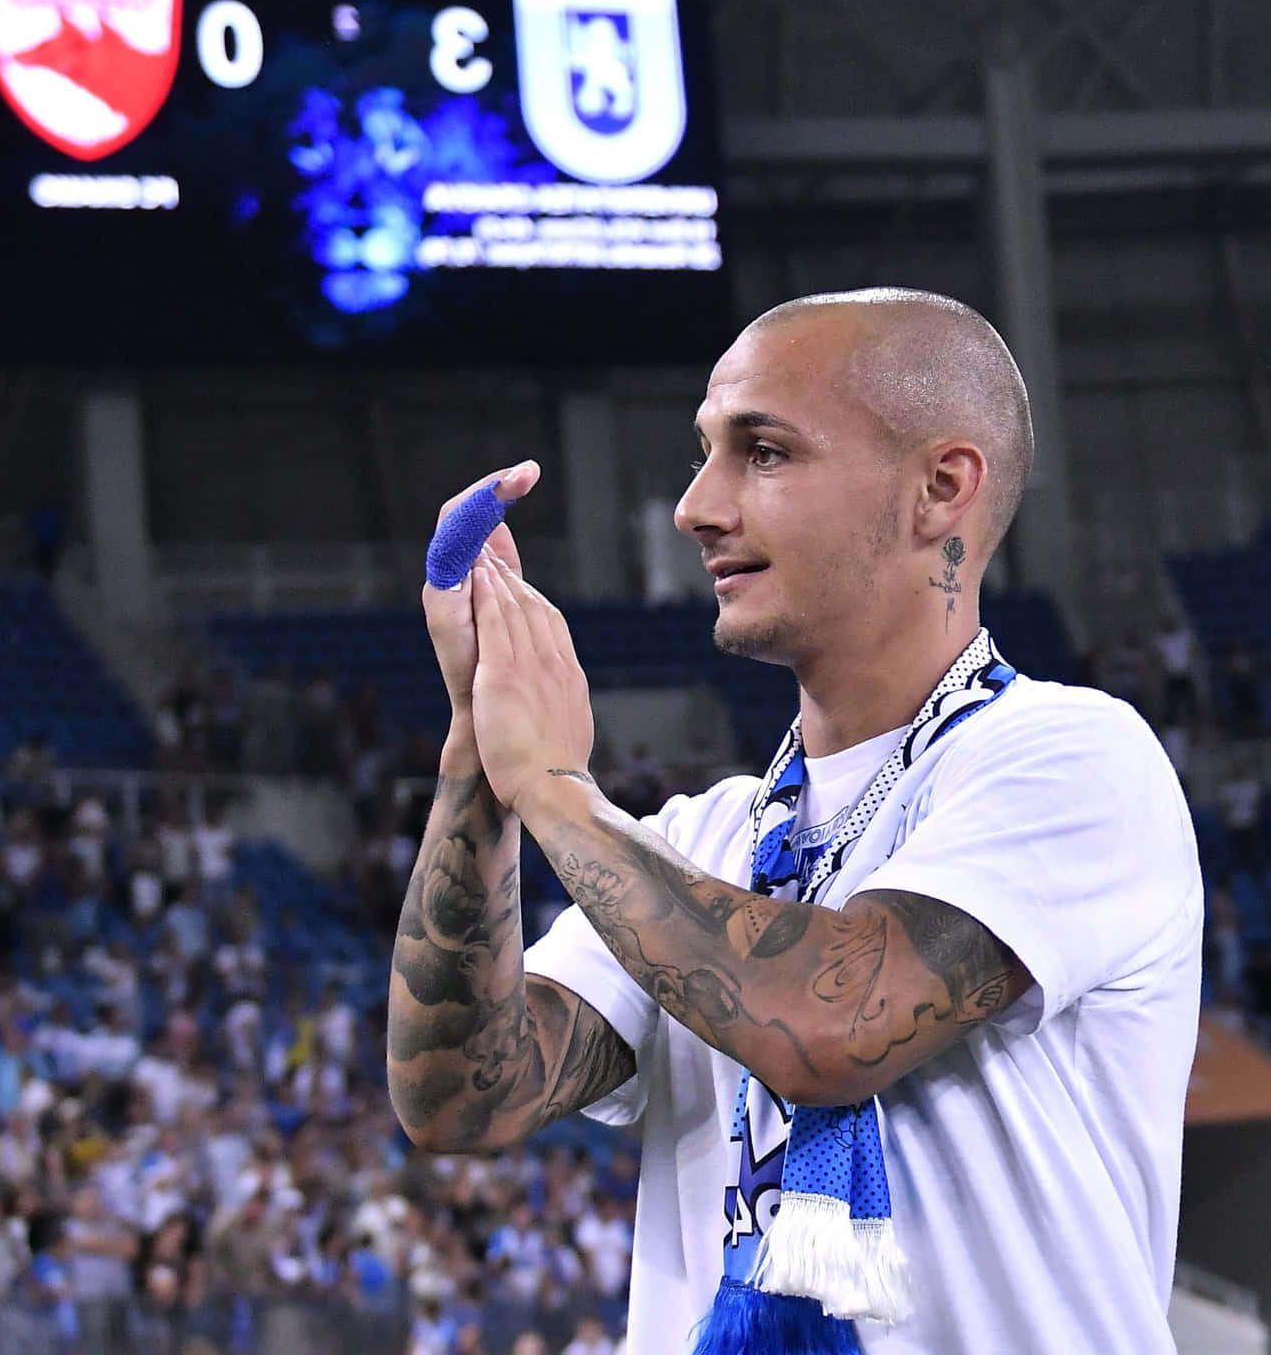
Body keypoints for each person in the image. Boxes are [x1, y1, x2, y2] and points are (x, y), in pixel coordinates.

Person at [387, 290, 1203, 1354]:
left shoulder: (1075, 761)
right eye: (703, 453)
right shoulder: (693, 845)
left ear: (940, 490)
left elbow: (833, 1027)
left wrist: (552, 786)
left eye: (762, 452)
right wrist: (477, 763)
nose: (695, 506)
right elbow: (461, 1098)